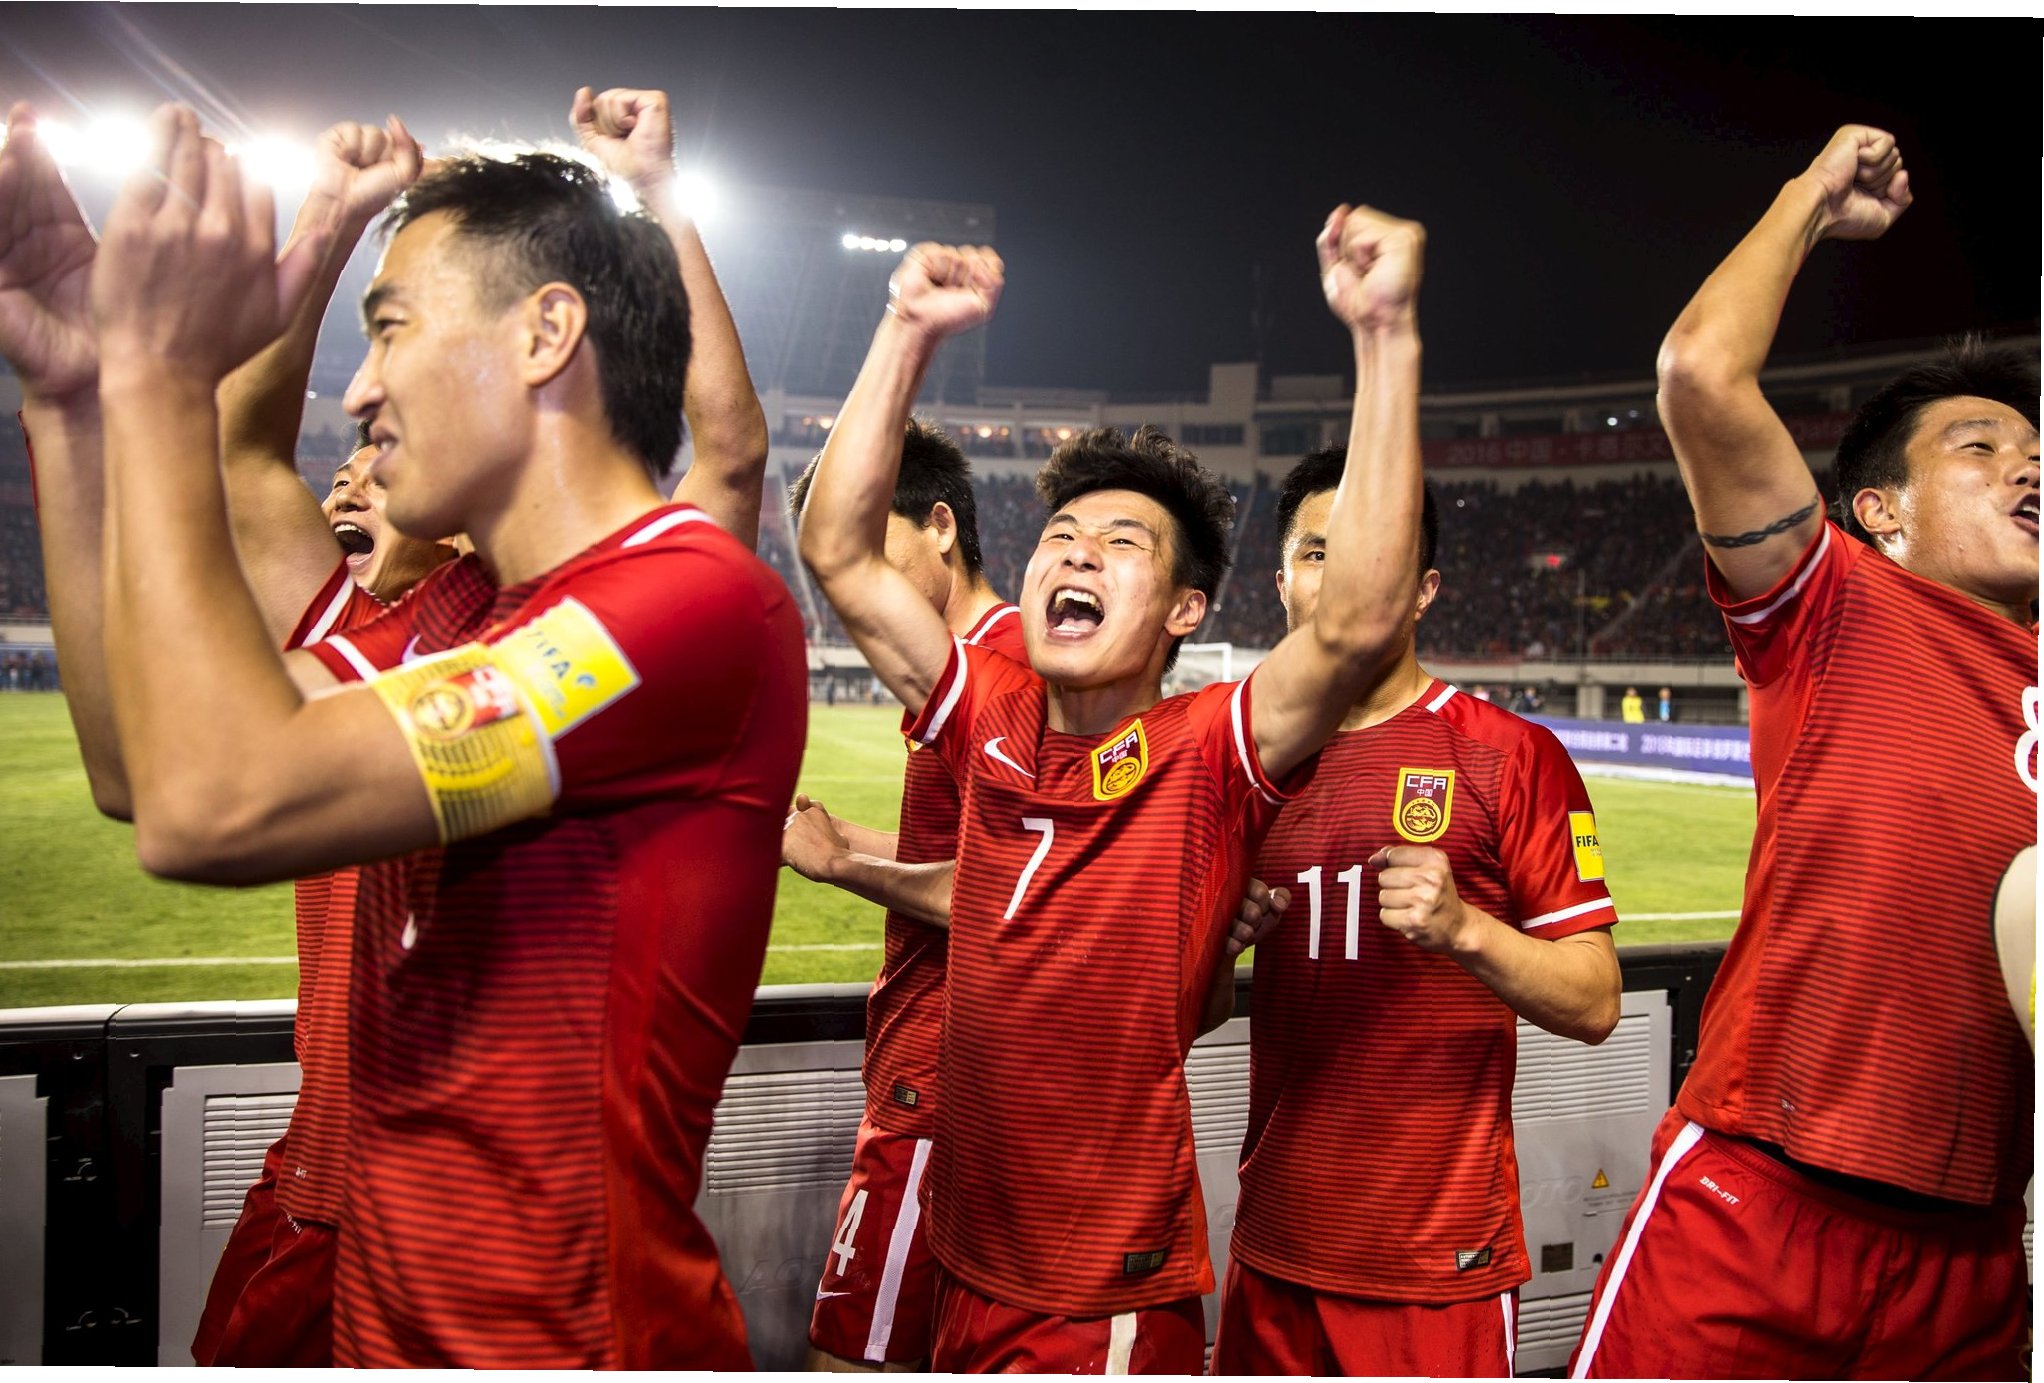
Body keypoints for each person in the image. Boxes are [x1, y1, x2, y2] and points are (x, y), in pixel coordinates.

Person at [74, 101, 803, 1370]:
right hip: (391, 1331)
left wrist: (152, 376)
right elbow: (139, 769)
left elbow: (213, 808)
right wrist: (66, 409)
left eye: (391, 330)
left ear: (544, 334)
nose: (359, 391)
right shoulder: (461, 615)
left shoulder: (685, 602)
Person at [796, 203, 1429, 1372]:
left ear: (1185, 611)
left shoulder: (1208, 748)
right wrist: (904, 330)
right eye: (1062, 533)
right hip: (965, 1254)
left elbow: (1358, 620)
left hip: (1098, 1300)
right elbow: (837, 549)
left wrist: (1384, 335)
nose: (1078, 549)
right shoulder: (986, 711)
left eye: (1122, 543)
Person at [1570, 126, 2036, 1381]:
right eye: (1979, 448)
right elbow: (1698, 374)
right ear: (1877, 513)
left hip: (1975, 1247)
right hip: (1760, 1196)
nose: (2026, 464)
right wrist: (1811, 194)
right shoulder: (1835, 603)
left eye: (2034, 450)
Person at [1209, 451, 1620, 1376]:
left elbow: (1596, 999)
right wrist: (1217, 948)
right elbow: (1189, 1011)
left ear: (1424, 588)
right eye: (1317, 551)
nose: (1344, 572)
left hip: (1435, 1266)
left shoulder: (1512, 756)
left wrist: (1466, 928)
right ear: (1282, 582)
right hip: (1273, 1244)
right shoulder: (1235, 761)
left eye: (1373, 549)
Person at [781, 420, 1028, 1371]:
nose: (855, 592)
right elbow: (961, 850)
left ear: (941, 526)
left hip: (938, 1078)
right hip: (936, 1072)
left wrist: (843, 868)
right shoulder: (967, 668)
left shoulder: (1007, 667)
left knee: (854, 1357)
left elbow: (1013, 891)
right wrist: (846, 836)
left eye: (867, 553)